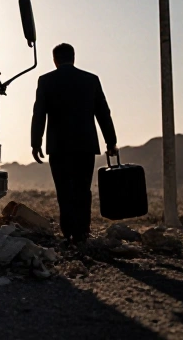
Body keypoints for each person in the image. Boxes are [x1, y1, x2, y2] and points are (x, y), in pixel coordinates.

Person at [31, 43, 117, 244]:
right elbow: (103, 113)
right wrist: (111, 141)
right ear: (74, 57)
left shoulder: (46, 81)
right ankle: (82, 232)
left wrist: (36, 143)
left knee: (64, 190)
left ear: (55, 60)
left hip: (58, 147)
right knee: (82, 190)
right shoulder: (91, 80)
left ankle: (68, 232)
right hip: (85, 145)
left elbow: (39, 114)